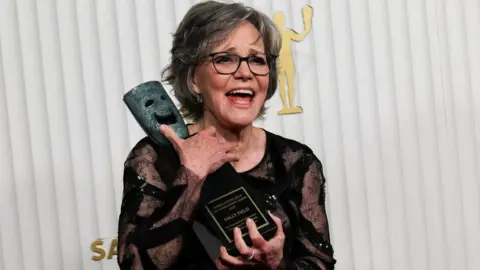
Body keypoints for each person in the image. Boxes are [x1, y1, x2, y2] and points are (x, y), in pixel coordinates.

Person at [116, 1, 336, 269]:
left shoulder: (296, 161)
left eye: (257, 60)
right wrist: (191, 176)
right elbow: (135, 265)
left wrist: (276, 266)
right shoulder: (154, 157)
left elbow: (320, 262)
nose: (245, 73)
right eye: (224, 59)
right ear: (194, 78)